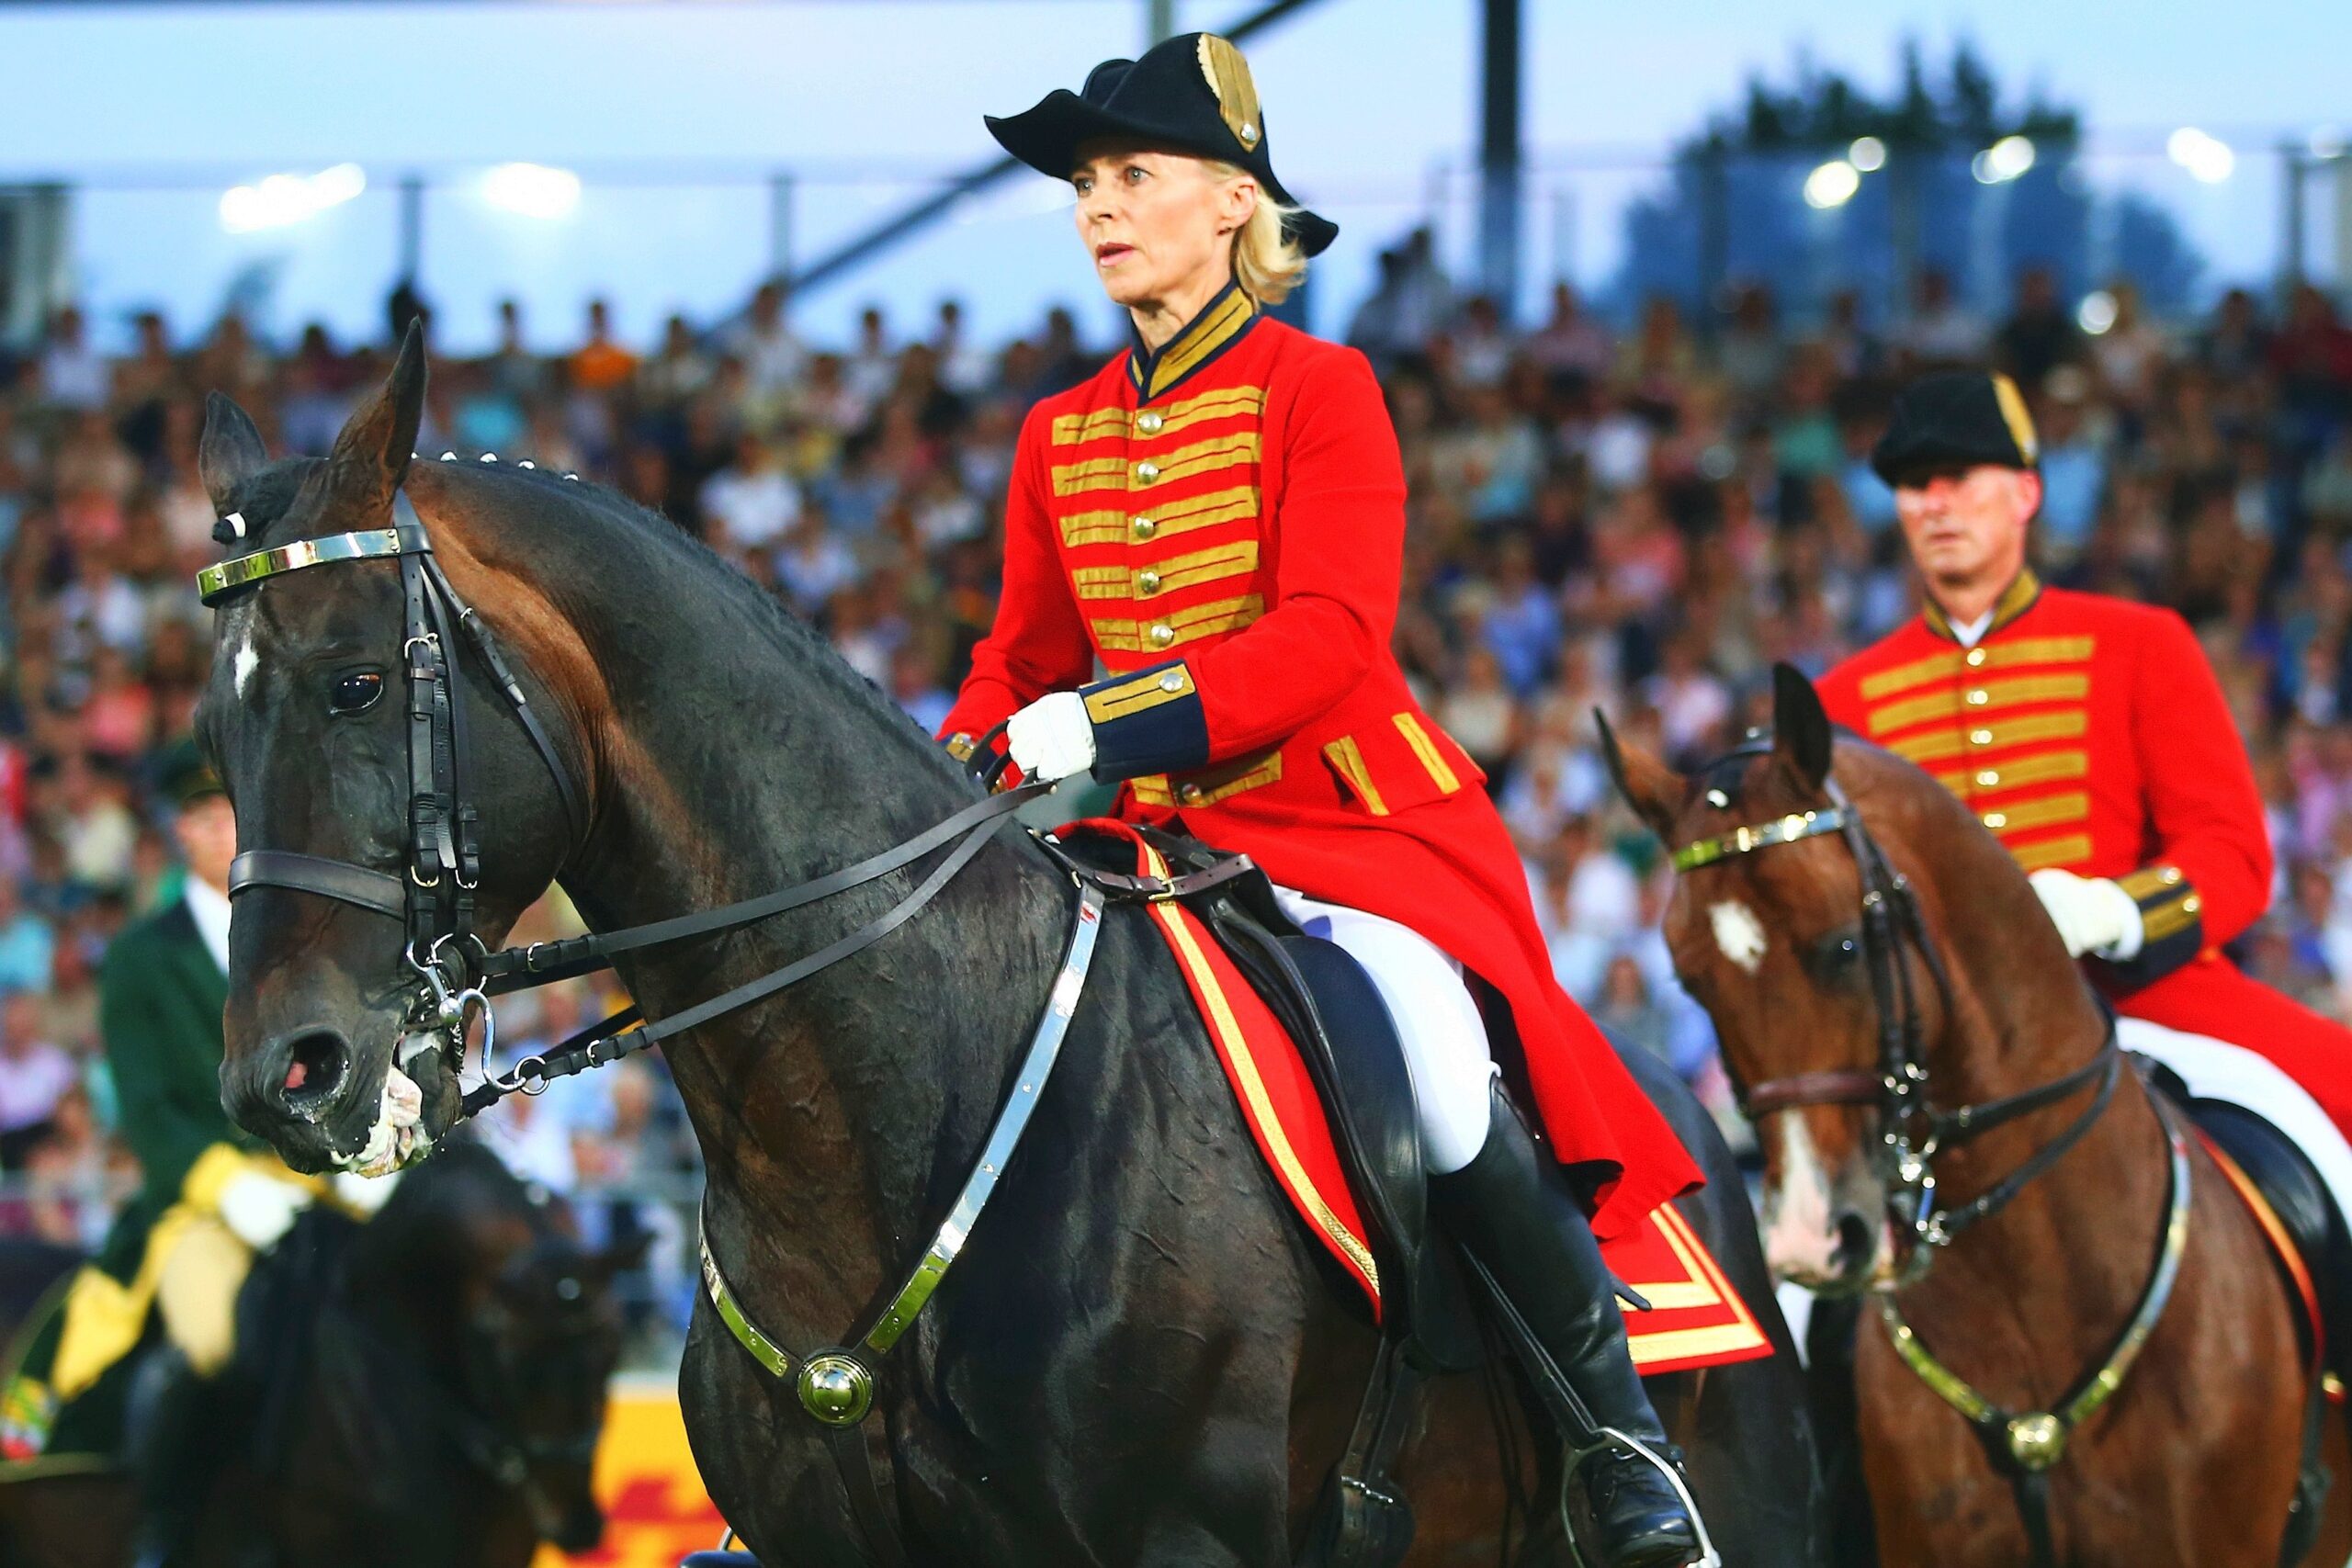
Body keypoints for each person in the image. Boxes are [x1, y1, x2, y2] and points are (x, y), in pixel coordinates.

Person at [936, 33, 1704, 1566]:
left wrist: (1099, 713)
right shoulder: (1058, 429)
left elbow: (1329, 637)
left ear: (1231, 202)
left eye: (1133, 176)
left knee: (1424, 1051)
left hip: (1337, 823)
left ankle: (1617, 1438)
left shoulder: (1324, 387)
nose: (1100, 207)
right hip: (1133, 836)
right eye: (1085, 185)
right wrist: (956, 762)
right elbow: (1014, 652)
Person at [1815, 371, 2352, 1154]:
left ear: (2026, 494)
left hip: (2147, 995)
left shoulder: (2141, 644)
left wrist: (2115, 911)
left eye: (1958, 478)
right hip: (1937, 1038)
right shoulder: (1845, 699)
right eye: (1910, 484)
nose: (1933, 503)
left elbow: (2232, 854)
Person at [0, 746, 366, 1552]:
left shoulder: (308, 940)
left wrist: (355, 1151)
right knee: (211, 1342)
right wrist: (224, 1182)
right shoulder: (141, 956)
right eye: (199, 816)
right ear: (178, 831)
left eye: (228, 811)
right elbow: (149, 1107)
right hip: (197, 1207)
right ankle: (167, 1523)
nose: (217, 828)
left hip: (321, 1183)